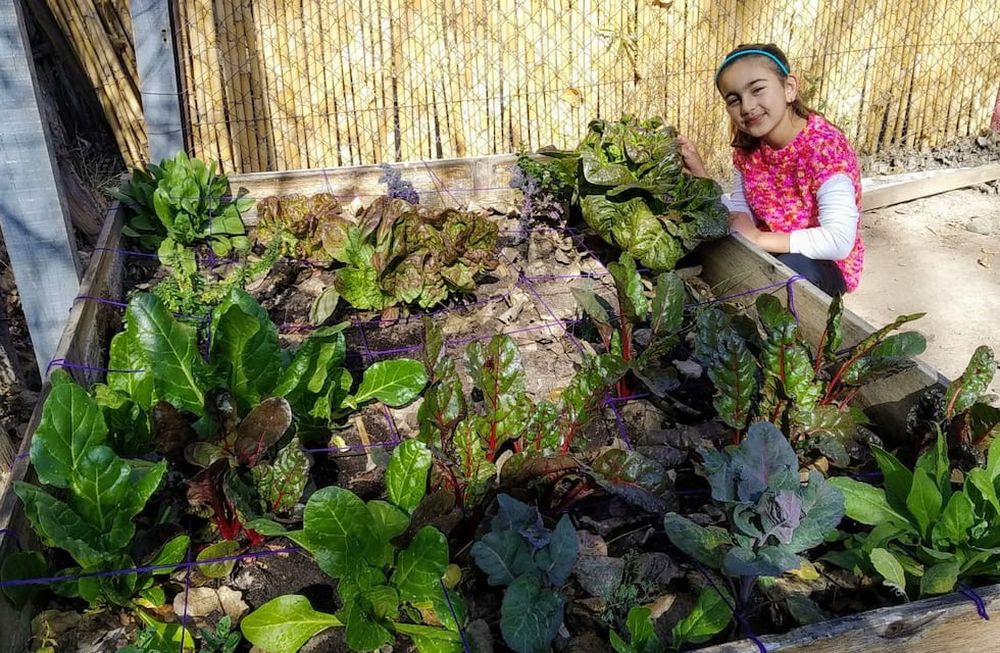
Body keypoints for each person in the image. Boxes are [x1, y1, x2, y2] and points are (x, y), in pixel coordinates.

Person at [678, 43, 864, 296]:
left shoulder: (824, 149)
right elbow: (743, 219)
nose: (746, 106)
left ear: (789, 88)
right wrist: (702, 177)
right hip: (767, 250)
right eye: (734, 99)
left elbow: (838, 241)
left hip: (821, 265)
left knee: (789, 275)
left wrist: (757, 239)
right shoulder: (748, 148)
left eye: (757, 89)